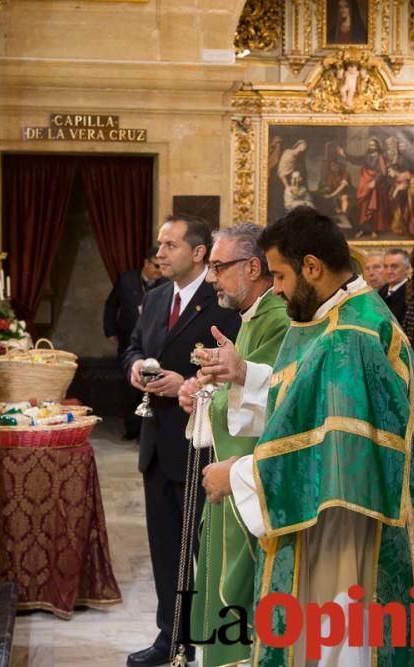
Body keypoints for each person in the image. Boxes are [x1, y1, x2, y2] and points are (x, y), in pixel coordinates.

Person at [200, 206, 414, 667]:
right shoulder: (333, 316)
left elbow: (340, 454)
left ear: (311, 267)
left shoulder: (351, 335)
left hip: (346, 532)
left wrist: (237, 474)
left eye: (279, 276)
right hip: (334, 522)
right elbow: (299, 402)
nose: (275, 288)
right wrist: (243, 376)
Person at [123, 215, 242, 667]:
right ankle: (171, 638)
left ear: (197, 253)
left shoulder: (223, 305)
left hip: (202, 447)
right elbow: (133, 346)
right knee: (166, 550)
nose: (160, 253)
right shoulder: (154, 299)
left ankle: (217, 637)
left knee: (208, 552)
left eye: (170, 245)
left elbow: (236, 366)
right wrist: (134, 368)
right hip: (157, 441)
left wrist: (187, 383)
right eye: (159, 244)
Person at [176, 223, 290, 667]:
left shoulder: (275, 319)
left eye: (219, 267)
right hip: (231, 477)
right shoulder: (252, 318)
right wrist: (202, 391)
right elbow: (238, 396)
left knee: (238, 594)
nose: (211, 278)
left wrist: (231, 380)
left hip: (250, 482)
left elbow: (277, 407)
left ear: (254, 266)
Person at [103, 247, 165, 439]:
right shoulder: (127, 279)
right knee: (130, 386)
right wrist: (110, 330)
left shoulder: (166, 284)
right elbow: (111, 305)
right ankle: (131, 428)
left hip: (153, 344)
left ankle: (146, 430)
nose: (159, 270)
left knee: (150, 384)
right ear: (146, 263)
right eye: (156, 265)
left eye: (162, 266)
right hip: (128, 340)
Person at [378, 247, 410, 323]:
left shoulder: (411, 293)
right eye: (386, 266)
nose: (389, 271)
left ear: (406, 269)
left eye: (394, 266)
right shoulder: (381, 291)